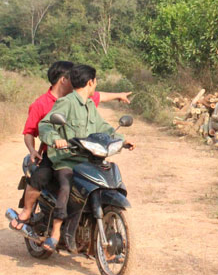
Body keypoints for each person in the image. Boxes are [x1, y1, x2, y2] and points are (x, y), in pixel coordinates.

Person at [7, 61, 132, 237]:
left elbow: (101, 121)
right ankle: (32, 215)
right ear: (64, 80)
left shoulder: (86, 102)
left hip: (83, 156)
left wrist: (122, 140)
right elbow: (35, 129)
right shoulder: (45, 103)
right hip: (57, 155)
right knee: (44, 178)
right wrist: (37, 148)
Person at [38, 64, 135, 252]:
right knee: (67, 184)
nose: (95, 85)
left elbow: (103, 128)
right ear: (90, 82)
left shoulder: (90, 105)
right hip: (66, 158)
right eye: (95, 82)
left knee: (103, 179)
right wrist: (56, 139)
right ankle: (56, 232)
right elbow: (45, 125)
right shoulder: (66, 103)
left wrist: (122, 140)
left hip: (86, 158)